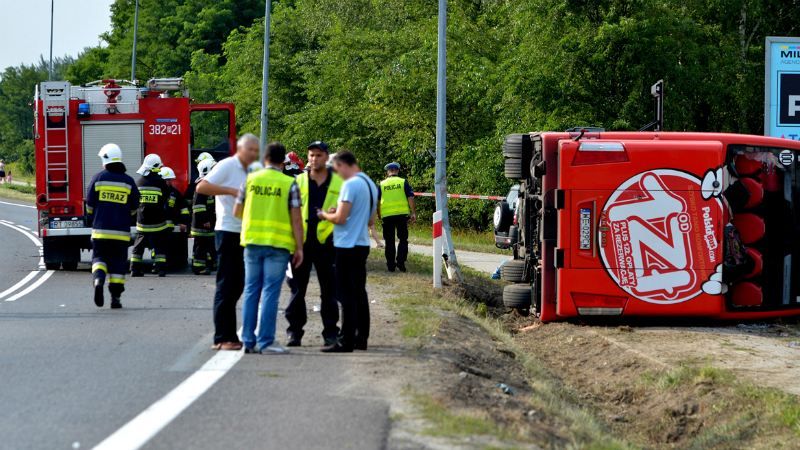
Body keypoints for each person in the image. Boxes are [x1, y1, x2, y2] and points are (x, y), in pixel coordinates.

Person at [234, 142, 304, 354]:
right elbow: (296, 220)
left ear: (264, 159)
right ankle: (266, 341)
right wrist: (299, 247)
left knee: (250, 290)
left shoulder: (250, 179)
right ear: (283, 162)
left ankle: (247, 340)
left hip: (252, 242)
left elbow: (237, 210)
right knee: (270, 293)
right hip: (278, 245)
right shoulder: (289, 183)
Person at [196, 134, 259, 351]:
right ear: (240, 149)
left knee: (240, 284)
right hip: (228, 229)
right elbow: (202, 188)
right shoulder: (227, 166)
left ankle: (230, 335)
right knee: (227, 285)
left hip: (248, 231)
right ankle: (222, 337)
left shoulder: (255, 169)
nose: (252, 154)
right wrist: (231, 191)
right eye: (249, 149)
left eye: (255, 150)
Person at [317, 151, 378, 353]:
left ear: (342, 164)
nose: (336, 174)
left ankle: (346, 340)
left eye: (336, 169)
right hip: (361, 243)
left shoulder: (350, 184)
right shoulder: (370, 184)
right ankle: (362, 338)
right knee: (359, 292)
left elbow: (341, 218)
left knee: (345, 295)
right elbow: (370, 220)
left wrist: (324, 214)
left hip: (346, 245)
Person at [285, 141, 343, 347]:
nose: (314, 159)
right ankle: (294, 333)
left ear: (326, 157)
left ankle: (330, 333)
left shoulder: (338, 183)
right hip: (301, 244)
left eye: (318, 155)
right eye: (311, 155)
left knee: (329, 291)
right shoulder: (298, 181)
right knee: (297, 290)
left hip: (328, 245)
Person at [85, 143, 140, 309]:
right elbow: (135, 206)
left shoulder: (98, 178)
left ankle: (98, 280)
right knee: (117, 265)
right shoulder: (129, 181)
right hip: (121, 234)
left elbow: (89, 205)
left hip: (100, 232)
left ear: (105, 159)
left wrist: (94, 216)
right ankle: (115, 299)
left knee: (99, 259)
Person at [131, 154, 170, 277]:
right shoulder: (161, 183)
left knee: (138, 247)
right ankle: (160, 270)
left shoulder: (138, 182)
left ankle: (135, 270)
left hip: (142, 222)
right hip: (158, 223)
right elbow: (166, 199)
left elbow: (134, 201)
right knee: (159, 247)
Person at [378, 162, 416, 272]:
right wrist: (413, 212)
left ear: (388, 172)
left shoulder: (382, 184)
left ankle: (390, 265)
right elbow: (410, 197)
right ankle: (401, 263)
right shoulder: (403, 182)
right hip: (402, 215)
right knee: (403, 239)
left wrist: (379, 214)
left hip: (387, 216)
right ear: (398, 170)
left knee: (389, 241)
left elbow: (378, 201)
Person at [191, 158, 218, 275]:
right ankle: (198, 268)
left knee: (209, 245)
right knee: (200, 247)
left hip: (208, 223)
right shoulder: (202, 186)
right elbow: (198, 207)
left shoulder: (208, 185)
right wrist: (205, 220)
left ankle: (211, 264)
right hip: (201, 224)